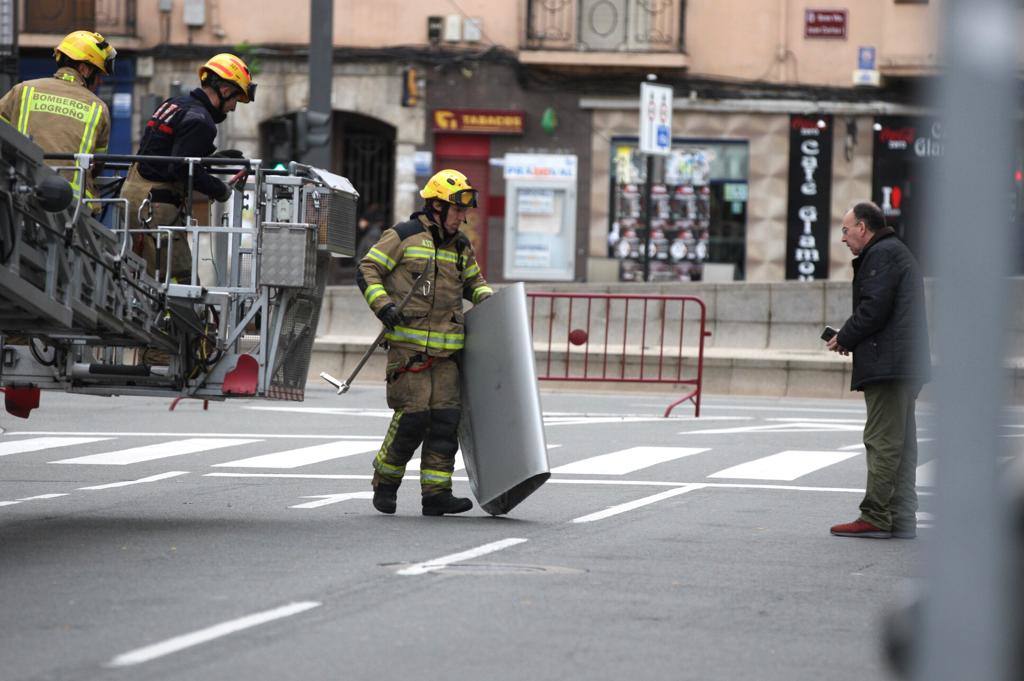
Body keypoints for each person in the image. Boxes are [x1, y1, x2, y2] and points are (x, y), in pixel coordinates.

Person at [357, 169, 493, 516]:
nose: (463, 217)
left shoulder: (460, 245)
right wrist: (383, 306)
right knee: (413, 419)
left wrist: (491, 302)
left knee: (446, 421)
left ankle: (436, 493)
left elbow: (474, 283)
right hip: (409, 350)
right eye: (458, 209)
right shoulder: (403, 236)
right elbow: (368, 269)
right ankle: (385, 482)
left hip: (447, 352)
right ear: (436, 206)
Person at [827, 201, 931, 539]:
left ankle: (875, 515)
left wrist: (845, 336)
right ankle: (901, 515)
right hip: (902, 362)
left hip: (890, 363)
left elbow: (873, 308)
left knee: (883, 440)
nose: (843, 238)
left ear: (862, 226)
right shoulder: (893, 251)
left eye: (845, 230)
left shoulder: (882, 254)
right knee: (901, 442)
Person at [121, 53, 255, 282]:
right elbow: (180, 168)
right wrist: (220, 190)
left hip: (134, 197)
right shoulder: (202, 121)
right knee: (180, 279)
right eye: (235, 99)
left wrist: (208, 159)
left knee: (146, 276)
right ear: (224, 90)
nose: (233, 107)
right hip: (156, 206)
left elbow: (164, 151)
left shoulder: (174, 104)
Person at [0, 30, 116, 210]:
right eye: (98, 75)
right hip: (72, 208)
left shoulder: (23, 90)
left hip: (17, 195)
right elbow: (98, 163)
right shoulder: (98, 107)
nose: (99, 82)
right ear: (84, 69)